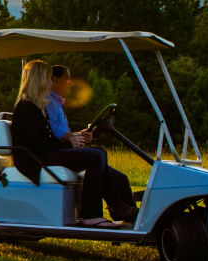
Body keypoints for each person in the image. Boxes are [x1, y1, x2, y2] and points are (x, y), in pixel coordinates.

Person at [11, 60, 137, 227]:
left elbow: (46, 140)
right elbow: (36, 146)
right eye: (48, 78)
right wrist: (69, 145)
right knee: (96, 155)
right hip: (32, 160)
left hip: (42, 154)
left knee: (101, 156)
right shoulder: (26, 107)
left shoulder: (38, 106)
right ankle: (91, 214)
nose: (51, 81)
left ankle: (124, 212)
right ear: (40, 80)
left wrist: (72, 140)